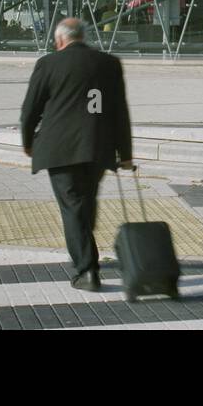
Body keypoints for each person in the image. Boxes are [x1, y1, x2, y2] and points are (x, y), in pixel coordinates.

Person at [20, 18, 133, 292]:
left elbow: (30, 110)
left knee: (73, 207)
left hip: (59, 150)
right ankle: (86, 250)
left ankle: (87, 271)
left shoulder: (48, 64)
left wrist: (27, 143)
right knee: (84, 202)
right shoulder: (109, 63)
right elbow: (119, 111)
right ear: (83, 37)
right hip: (97, 147)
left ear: (59, 41)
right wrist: (126, 153)